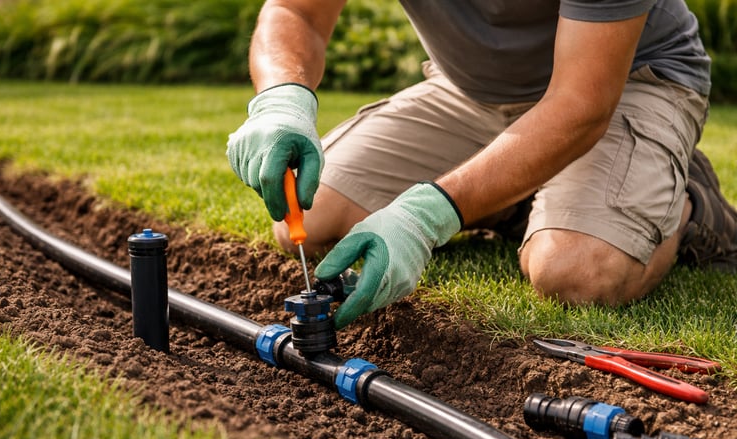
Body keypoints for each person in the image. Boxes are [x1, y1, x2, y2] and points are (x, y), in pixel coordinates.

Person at [227, 0, 737, 329]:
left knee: (576, 273)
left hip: (628, 86)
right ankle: (521, 193)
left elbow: (582, 104)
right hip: (471, 93)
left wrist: (424, 216)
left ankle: (689, 204)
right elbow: (296, 13)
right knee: (310, 216)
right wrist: (282, 101)